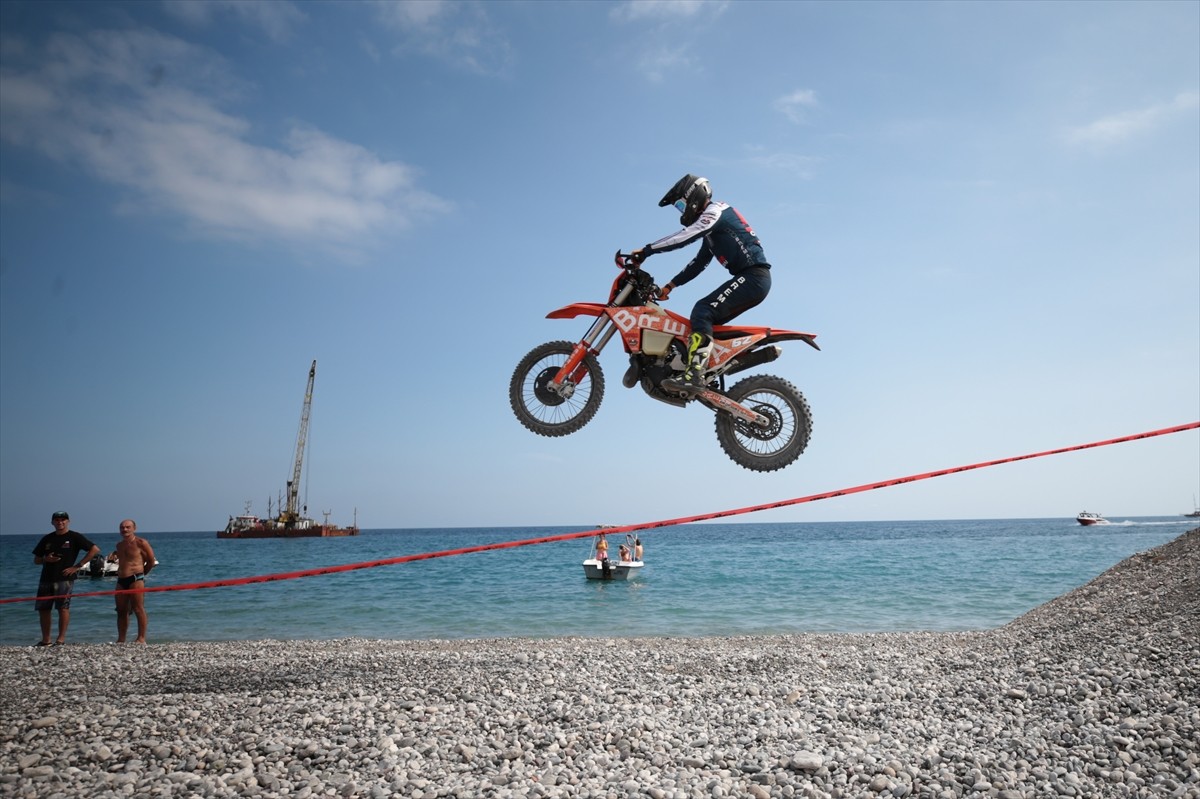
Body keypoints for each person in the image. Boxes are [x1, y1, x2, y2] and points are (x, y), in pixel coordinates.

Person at [631, 174, 773, 397]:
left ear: (693, 196)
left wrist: (648, 250)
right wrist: (670, 286)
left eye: (680, 204)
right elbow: (698, 263)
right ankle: (703, 367)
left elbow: (686, 236)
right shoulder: (712, 230)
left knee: (703, 311)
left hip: (754, 277)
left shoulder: (715, 212)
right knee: (700, 321)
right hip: (751, 278)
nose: (681, 210)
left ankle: (694, 375)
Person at [32, 511, 100, 646]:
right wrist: (46, 559)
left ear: (68, 521)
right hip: (46, 578)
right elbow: (36, 560)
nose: (60, 522)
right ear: (52, 522)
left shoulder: (74, 537)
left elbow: (94, 550)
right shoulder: (47, 538)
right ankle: (46, 640)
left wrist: (78, 566)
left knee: (63, 608)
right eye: (57, 520)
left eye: (63, 520)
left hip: (64, 577)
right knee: (43, 609)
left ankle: (60, 639)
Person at [113, 519, 156, 644]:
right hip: (121, 580)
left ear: (134, 528)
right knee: (121, 610)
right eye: (122, 527)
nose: (124, 529)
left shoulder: (141, 542)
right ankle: (121, 639)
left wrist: (141, 575)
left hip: (136, 578)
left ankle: (141, 638)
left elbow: (151, 561)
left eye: (128, 527)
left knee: (138, 608)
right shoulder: (119, 545)